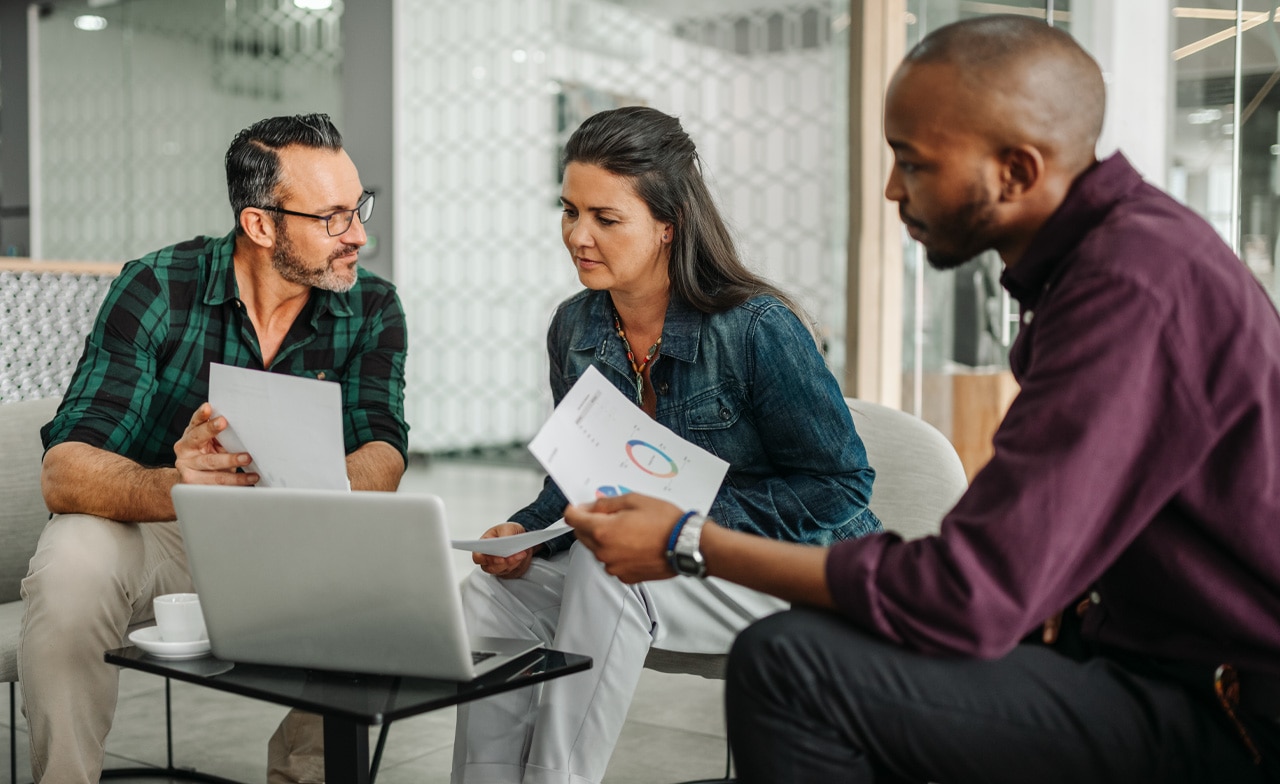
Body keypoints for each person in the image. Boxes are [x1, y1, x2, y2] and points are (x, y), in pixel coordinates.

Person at [564, 15, 1280, 784]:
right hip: (1125, 653)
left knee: (791, 667)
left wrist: (690, 540)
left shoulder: (1132, 286)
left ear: (1016, 171)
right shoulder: (1107, 264)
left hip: (1224, 707)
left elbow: (971, 593)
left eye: (914, 163)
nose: (892, 188)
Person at [451, 105, 879, 784]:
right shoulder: (575, 328)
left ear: (667, 224)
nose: (577, 236)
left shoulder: (756, 328)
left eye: (605, 218)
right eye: (569, 211)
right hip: (674, 567)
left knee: (607, 568)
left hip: (785, 572)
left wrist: (681, 524)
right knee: (491, 597)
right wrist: (528, 531)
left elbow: (841, 486)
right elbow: (578, 478)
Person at [19, 113, 408, 784]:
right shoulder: (157, 288)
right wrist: (177, 481)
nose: (359, 236)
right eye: (334, 218)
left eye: (358, 208)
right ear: (261, 225)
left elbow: (384, 445)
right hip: (164, 532)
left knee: (387, 575)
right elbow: (65, 471)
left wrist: (318, 494)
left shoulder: (372, 307)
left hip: (294, 535)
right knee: (72, 562)